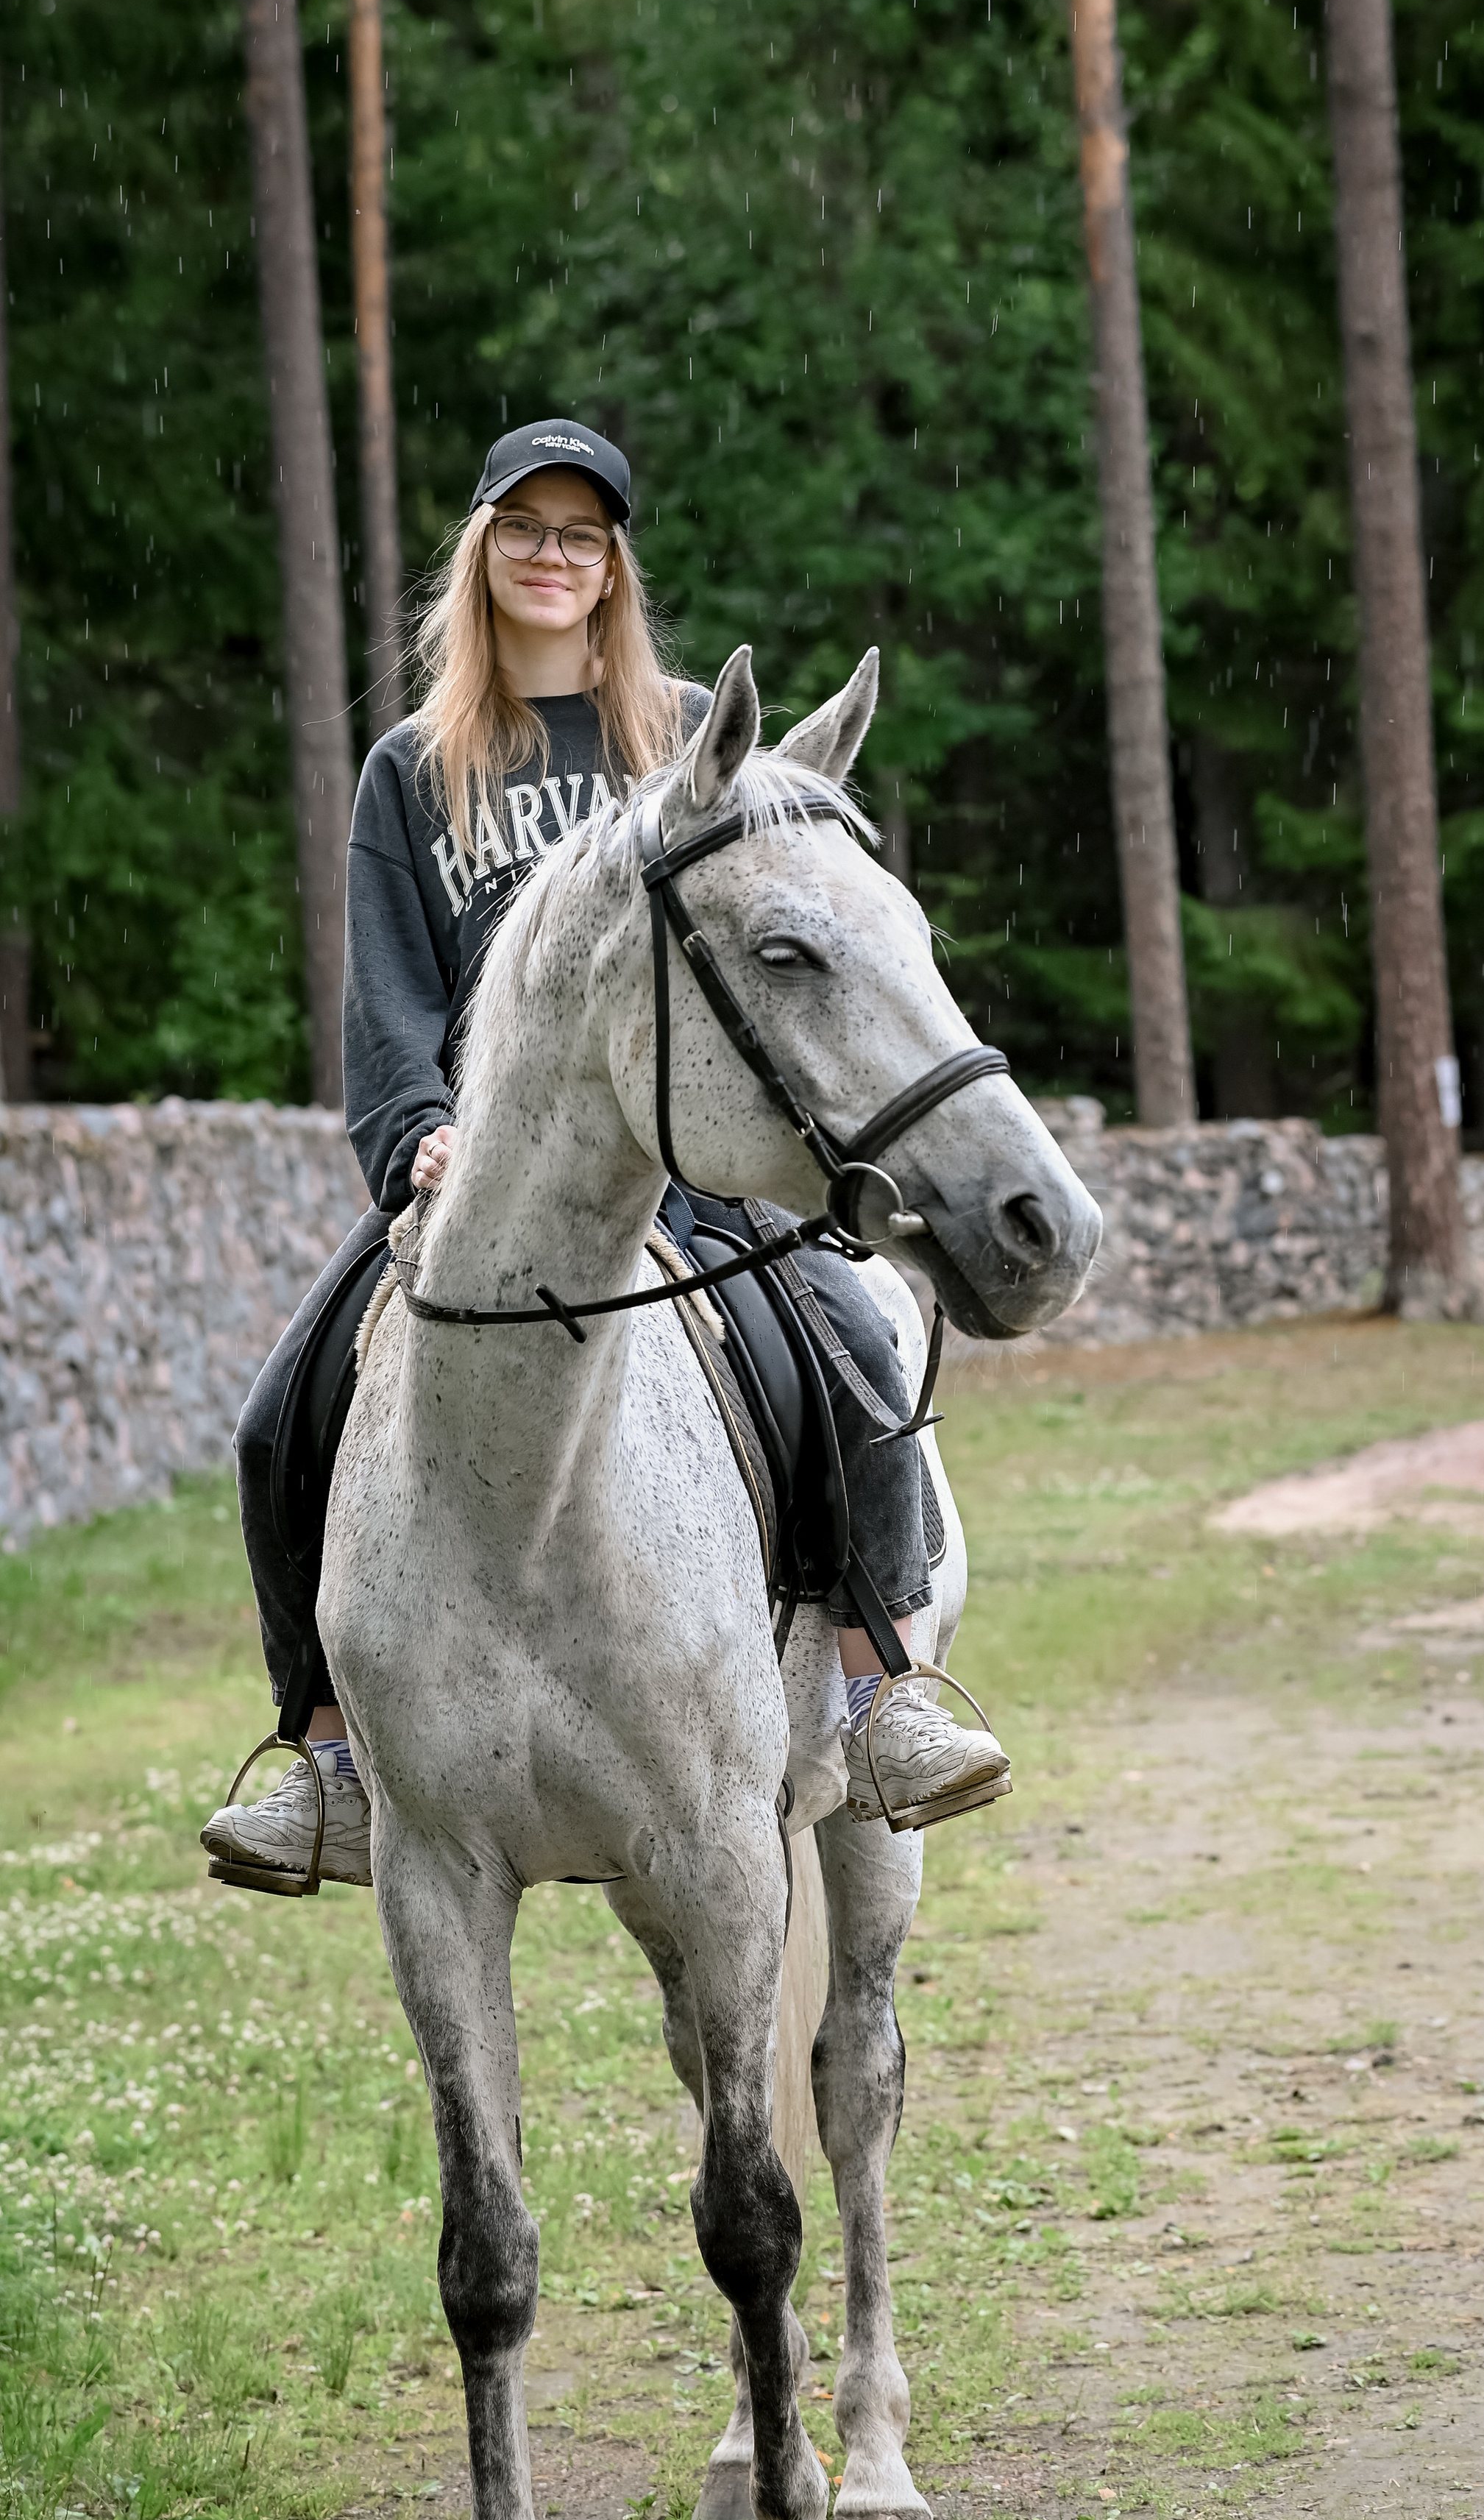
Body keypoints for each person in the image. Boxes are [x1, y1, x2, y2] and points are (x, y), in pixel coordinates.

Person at [200, 417, 1008, 1891]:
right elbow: (384, 1000)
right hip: (483, 1190)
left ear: (612, 565)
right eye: (525, 530)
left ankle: (878, 1684)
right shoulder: (415, 769)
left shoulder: (689, 736)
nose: (550, 558)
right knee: (279, 1414)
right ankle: (321, 1749)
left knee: (844, 1342)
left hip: (685, 1167)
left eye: (580, 536)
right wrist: (412, 1136)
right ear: (484, 550)